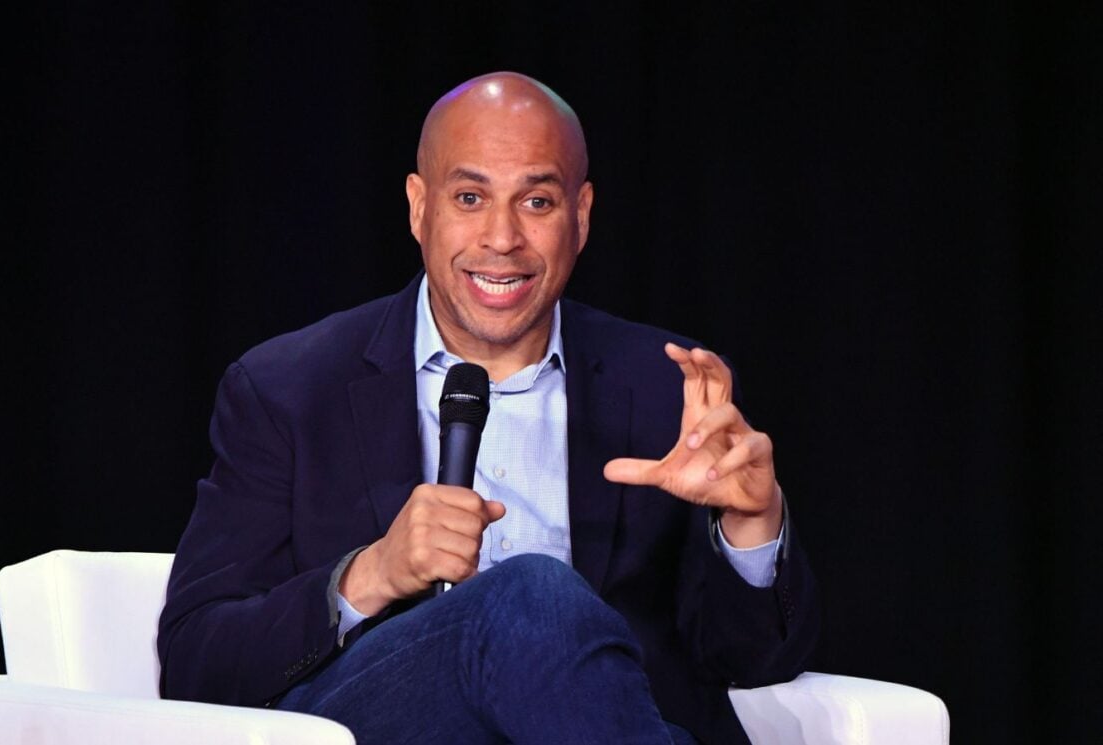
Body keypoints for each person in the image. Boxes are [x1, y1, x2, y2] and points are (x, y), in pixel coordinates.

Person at [157, 71, 819, 744]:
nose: (501, 238)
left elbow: (755, 664)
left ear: (581, 216)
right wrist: (372, 572)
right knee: (529, 592)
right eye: (470, 197)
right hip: (381, 719)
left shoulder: (663, 386)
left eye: (536, 202)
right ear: (419, 207)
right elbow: (194, 662)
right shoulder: (288, 390)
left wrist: (749, 525)